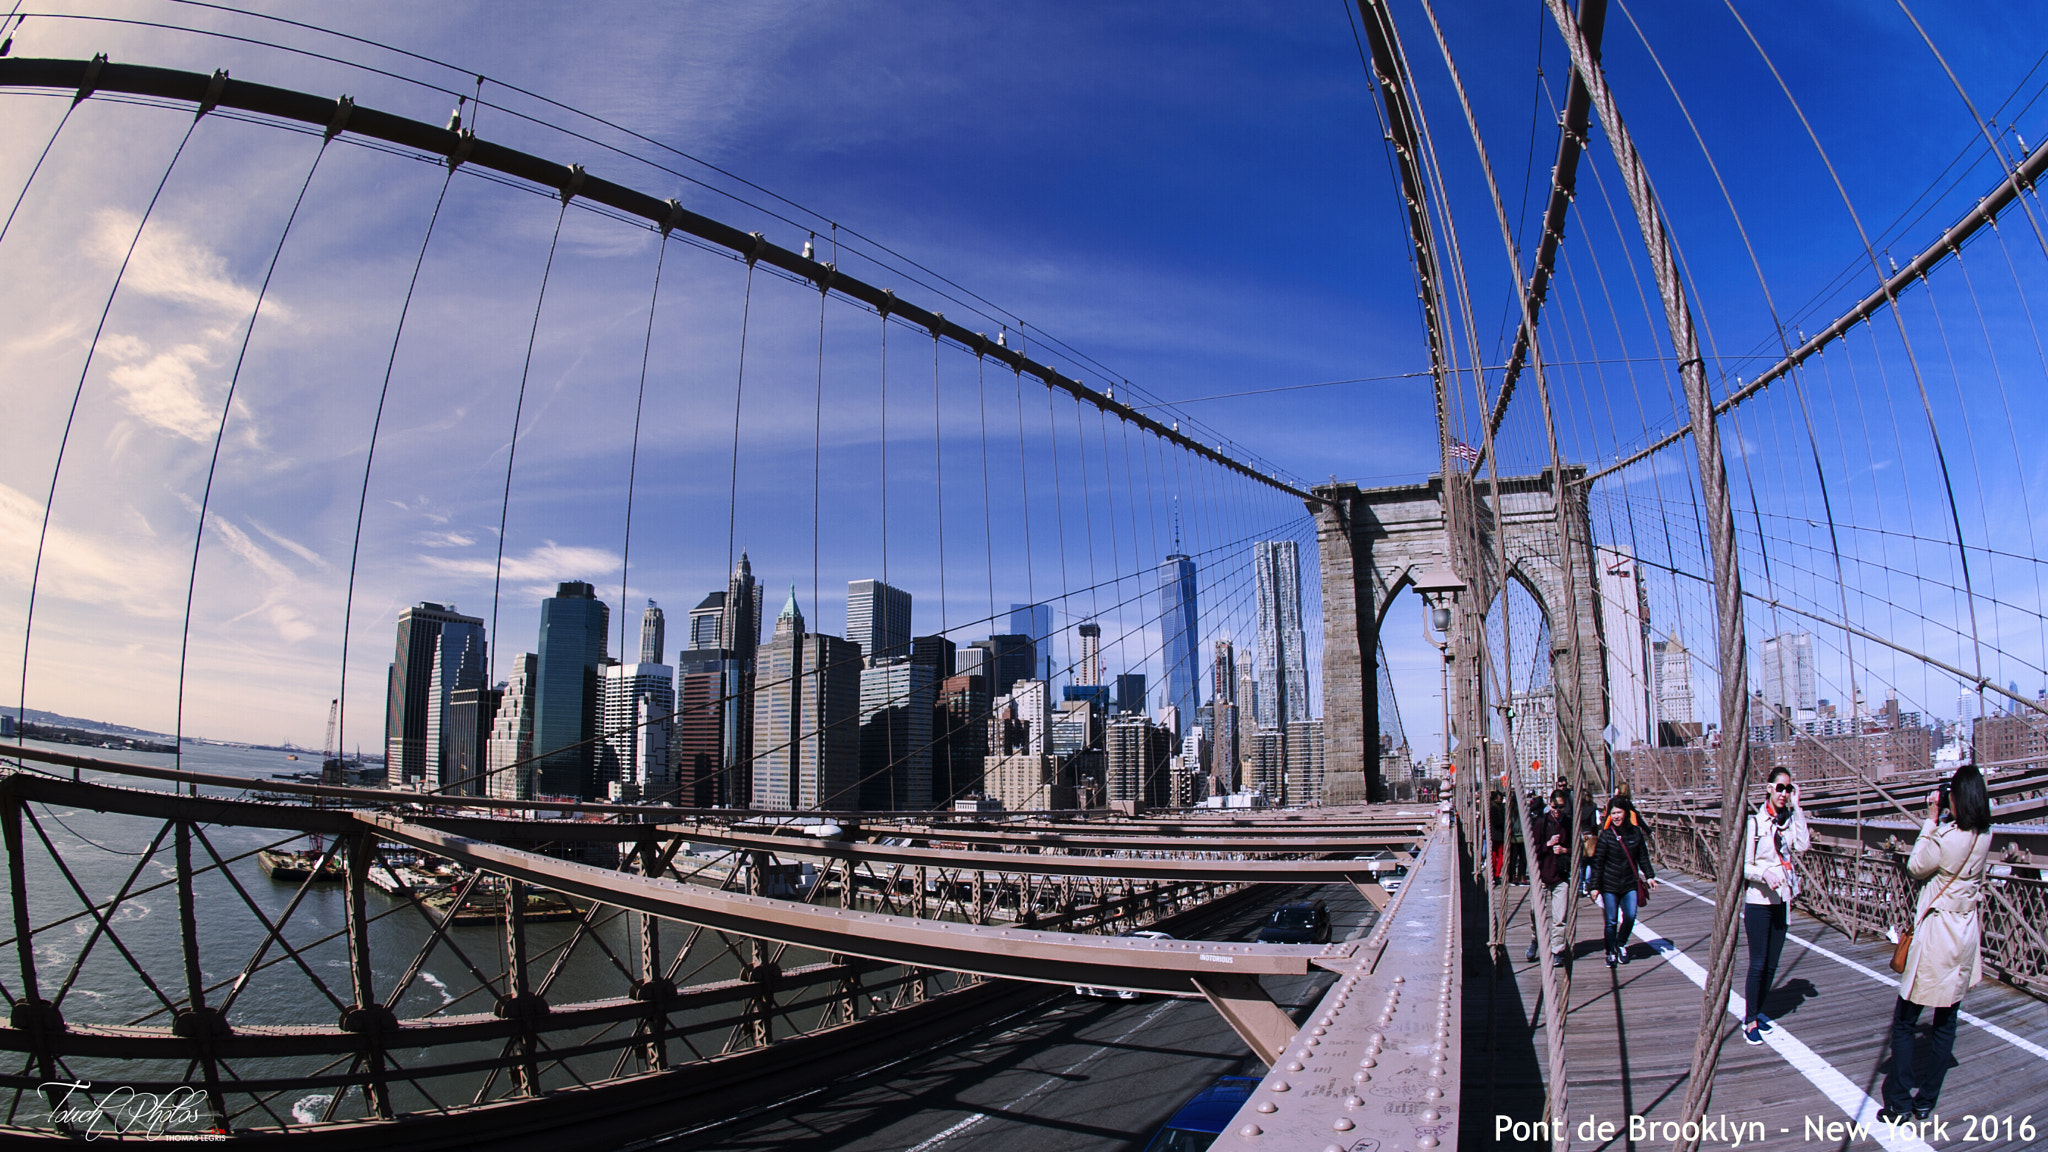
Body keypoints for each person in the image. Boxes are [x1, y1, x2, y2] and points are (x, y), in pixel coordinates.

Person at [1879, 763, 1993, 1124]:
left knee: (1906, 1019)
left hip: (1936, 937)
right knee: (1946, 1022)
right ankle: (1926, 1101)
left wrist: (1931, 816)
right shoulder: (1986, 835)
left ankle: (1898, 1103)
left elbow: (1916, 866)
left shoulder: (1946, 838)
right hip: (1964, 936)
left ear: (1957, 799)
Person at [1740, 767, 1810, 1045]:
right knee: (1758, 964)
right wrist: (1762, 874)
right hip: (1759, 901)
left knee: (1771, 965)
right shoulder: (1755, 824)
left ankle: (1757, 1011)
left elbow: (1803, 846)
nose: (1784, 793)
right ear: (1769, 788)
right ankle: (1750, 1021)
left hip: (1782, 901)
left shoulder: (1789, 821)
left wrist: (1799, 808)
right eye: (1780, 788)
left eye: (1788, 789)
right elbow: (1743, 866)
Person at [1591, 796, 1657, 966]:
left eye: (1619, 813)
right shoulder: (1606, 836)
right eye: (1613, 814)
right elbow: (1598, 862)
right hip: (1610, 885)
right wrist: (1594, 887)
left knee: (1630, 916)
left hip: (1629, 883)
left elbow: (1643, 856)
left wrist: (1649, 876)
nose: (1616, 817)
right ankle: (1610, 950)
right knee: (1611, 920)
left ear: (1626, 813)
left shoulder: (1636, 833)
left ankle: (1620, 944)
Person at [1525, 789, 1574, 963]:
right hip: (1542, 875)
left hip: (1560, 876)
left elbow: (1578, 850)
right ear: (1550, 805)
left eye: (1561, 807)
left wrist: (1564, 850)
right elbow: (1532, 850)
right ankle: (1535, 939)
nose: (1558, 811)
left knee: (1559, 917)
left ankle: (1557, 950)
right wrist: (1548, 845)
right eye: (1555, 807)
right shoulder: (1541, 823)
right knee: (1535, 913)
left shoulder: (1569, 824)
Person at [1577, 790, 1601, 897]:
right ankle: (1588, 884)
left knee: (1581, 864)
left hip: (1580, 836)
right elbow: (1594, 824)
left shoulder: (1578, 809)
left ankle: (1580, 887)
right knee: (1590, 862)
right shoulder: (1593, 808)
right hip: (1590, 836)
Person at [1489, 790, 1508, 883]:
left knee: (1497, 855)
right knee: (1498, 854)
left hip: (1496, 834)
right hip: (1497, 834)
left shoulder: (1497, 807)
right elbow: (1496, 822)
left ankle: (1495, 873)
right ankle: (1495, 874)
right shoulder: (1495, 808)